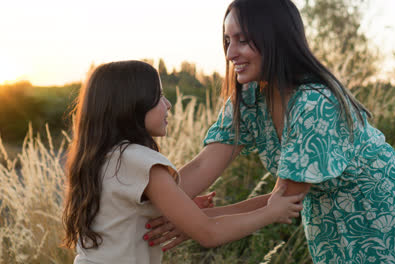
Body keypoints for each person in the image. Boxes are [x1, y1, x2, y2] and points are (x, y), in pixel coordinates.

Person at [145, 0, 395, 263]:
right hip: (329, 217)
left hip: (384, 213)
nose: (231, 52)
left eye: (243, 40)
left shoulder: (315, 102)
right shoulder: (249, 98)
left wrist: (194, 220)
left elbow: (283, 199)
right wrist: (150, 202)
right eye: (227, 41)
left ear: (275, 39)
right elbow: (202, 164)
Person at [61, 60, 304, 264]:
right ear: (131, 106)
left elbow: (129, 220)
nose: (168, 104)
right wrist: (270, 213)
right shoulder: (137, 160)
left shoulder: (102, 158)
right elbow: (209, 232)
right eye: (159, 97)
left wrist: (183, 208)